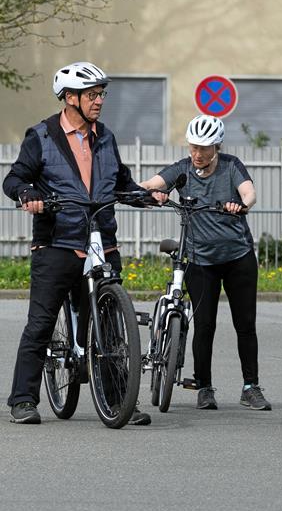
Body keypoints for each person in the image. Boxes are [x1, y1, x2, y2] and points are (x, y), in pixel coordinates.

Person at [3, 61, 163, 426]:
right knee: (41, 323)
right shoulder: (41, 136)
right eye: (92, 95)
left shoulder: (105, 136)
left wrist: (145, 196)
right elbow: (14, 178)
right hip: (58, 242)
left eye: (101, 94)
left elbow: (121, 182)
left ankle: (120, 401)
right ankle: (23, 399)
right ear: (69, 98)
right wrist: (28, 194)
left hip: (101, 242)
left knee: (109, 326)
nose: (99, 101)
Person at [140, 115, 268, 411]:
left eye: (205, 148)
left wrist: (241, 205)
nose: (198, 154)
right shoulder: (182, 170)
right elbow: (152, 183)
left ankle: (251, 387)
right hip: (199, 260)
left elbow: (249, 192)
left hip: (238, 257)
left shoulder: (231, 166)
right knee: (205, 324)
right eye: (194, 147)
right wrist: (150, 192)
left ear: (217, 147)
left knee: (245, 324)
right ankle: (204, 387)